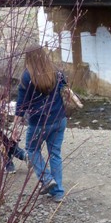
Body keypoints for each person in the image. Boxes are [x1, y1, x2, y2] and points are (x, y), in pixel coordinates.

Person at [14, 45, 67, 202]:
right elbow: (64, 89)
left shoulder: (26, 76)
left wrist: (15, 126)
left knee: (31, 149)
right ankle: (58, 192)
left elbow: (21, 105)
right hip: (59, 119)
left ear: (28, 58)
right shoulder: (56, 71)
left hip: (39, 123)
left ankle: (47, 179)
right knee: (55, 153)